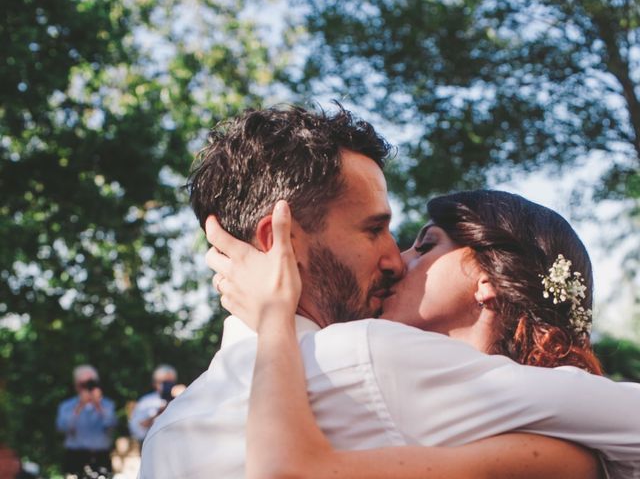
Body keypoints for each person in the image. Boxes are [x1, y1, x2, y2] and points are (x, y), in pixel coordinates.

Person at [139, 105, 640, 478]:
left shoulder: (165, 436)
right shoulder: (364, 354)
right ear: (282, 243)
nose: (393, 259)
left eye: (420, 244)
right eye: (373, 229)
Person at [209, 193, 624, 478]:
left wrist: (275, 313)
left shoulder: (557, 453)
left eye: (425, 247)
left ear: (487, 279)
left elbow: (287, 472)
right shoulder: (405, 381)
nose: (397, 262)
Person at [56, 365, 117, 477]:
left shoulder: (107, 405)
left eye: (90, 383)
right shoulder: (67, 406)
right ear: (76, 386)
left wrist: (98, 405)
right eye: (83, 385)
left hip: (100, 456)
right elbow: (62, 428)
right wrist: (79, 407)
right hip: (75, 457)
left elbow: (111, 425)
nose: (87, 388)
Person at [129, 365, 178, 443]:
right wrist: (159, 412)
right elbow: (136, 429)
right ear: (155, 383)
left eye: (171, 382)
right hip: (153, 445)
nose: (168, 386)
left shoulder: (181, 398)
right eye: (164, 382)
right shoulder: (146, 402)